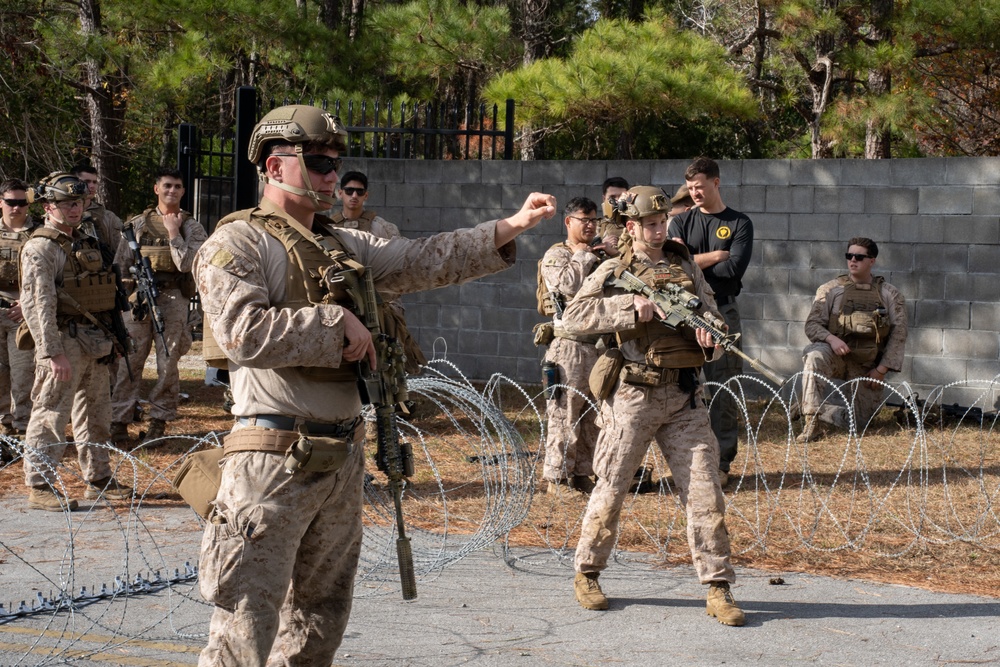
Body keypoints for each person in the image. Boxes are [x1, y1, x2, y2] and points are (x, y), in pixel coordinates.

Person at [193, 104, 555, 665]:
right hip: (272, 458)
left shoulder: (340, 244)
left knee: (320, 620)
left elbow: (419, 258)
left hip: (340, 455)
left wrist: (511, 227)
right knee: (245, 627)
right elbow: (242, 334)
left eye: (336, 163)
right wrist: (335, 324)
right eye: (317, 162)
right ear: (273, 165)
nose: (331, 176)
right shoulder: (238, 243)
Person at [561, 185, 745, 626]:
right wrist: (630, 307)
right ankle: (587, 572)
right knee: (611, 488)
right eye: (649, 224)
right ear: (632, 226)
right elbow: (573, 319)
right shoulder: (613, 268)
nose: (659, 230)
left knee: (705, 494)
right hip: (633, 397)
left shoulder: (683, 264)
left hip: (683, 396)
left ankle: (718, 587)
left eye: (663, 222)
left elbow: (713, 314)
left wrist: (711, 339)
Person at [19, 172, 132, 511]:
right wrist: (52, 352)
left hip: (95, 339)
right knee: (51, 413)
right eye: (67, 203)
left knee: (97, 413)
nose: (74, 209)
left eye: (79, 203)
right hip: (63, 340)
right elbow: (37, 303)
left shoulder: (88, 240)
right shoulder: (41, 247)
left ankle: (98, 478)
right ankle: (39, 483)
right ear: (48, 206)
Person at [668, 157, 754, 487]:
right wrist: (717, 255)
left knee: (722, 389)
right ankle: (685, 462)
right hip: (685, 314)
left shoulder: (739, 223)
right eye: (690, 188)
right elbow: (676, 270)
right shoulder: (680, 223)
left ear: (716, 183)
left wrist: (694, 261)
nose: (695, 193)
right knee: (680, 390)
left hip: (722, 312)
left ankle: (721, 462)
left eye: (700, 187)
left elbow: (732, 271)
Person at [110, 167, 207, 445]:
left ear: (183, 191)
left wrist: (174, 232)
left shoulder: (191, 226)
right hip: (139, 300)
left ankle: (159, 422)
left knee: (168, 362)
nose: (172, 191)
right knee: (131, 361)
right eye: (166, 186)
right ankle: (119, 420)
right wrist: (126, 295)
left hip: (174, 298)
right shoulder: (138, 224)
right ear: (157, 189)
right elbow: (121, 263)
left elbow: (188, 264)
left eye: (177, 186)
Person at [538, 196, 616, 495]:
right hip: (568, 347)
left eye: (594, 220)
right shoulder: (557, 255)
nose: (590, 225)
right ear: (568, 221)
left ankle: (582, 473)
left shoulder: (598, 256)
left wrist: (608, 256)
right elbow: (566, 285)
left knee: (591, 416)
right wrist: (584, 255)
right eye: (584, 220)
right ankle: (557, 478)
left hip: (596, 346)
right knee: (564, 413)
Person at [798, 237, 907, 442]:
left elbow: (899, 335)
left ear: (872, 261)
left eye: (859, 256)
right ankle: (811, 422)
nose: (853, 260)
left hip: (866, 364)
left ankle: (816, 408)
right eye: (849, 256)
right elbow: (811, 325)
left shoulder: (889, 294)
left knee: (859, 425)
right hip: (836, 355)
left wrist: (881, 370)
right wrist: (831, 339)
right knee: (814, 356)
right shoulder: (830, 289)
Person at [328, 170, 427, 374]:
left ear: (366, 195)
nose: (353, 196)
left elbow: (399, 266)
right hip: (344, 303)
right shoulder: (328, 227)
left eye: (359, 191)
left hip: (380, 301)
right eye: (349, 191)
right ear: (340, 194)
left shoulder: (382, 227)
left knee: (386, 360)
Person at [1, 179, 39, 444]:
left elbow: (48, 275)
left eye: (21, 203)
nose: (16, 208)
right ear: (0, 203)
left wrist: (27, 304)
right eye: (10, 202)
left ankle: (24, 426)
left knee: (23, 372)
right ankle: (5, 424)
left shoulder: (38, 234)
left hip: (23, 312)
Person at [597, 176, 629, 247]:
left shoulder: (635, 225)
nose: (617, 201)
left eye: (621, 196)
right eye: (612, 197)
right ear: (604, 198)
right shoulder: (596, 227)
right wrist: (601, 245)